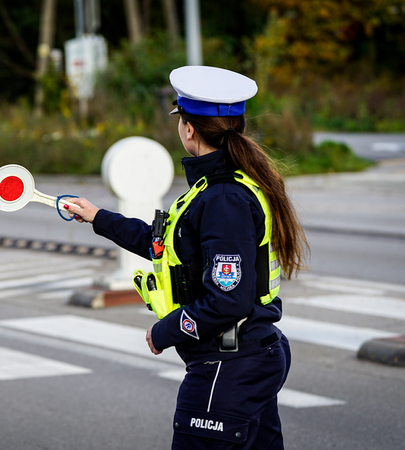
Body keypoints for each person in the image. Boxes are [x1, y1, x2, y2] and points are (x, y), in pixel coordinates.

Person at [66, 65, 307, 449]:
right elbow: (163, 246)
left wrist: (164, 332)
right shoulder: (216, 188)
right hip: (246, 358)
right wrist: (98, 216)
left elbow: (229, 300)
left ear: (189, 129)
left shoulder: (223, 198)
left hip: (228, 365)